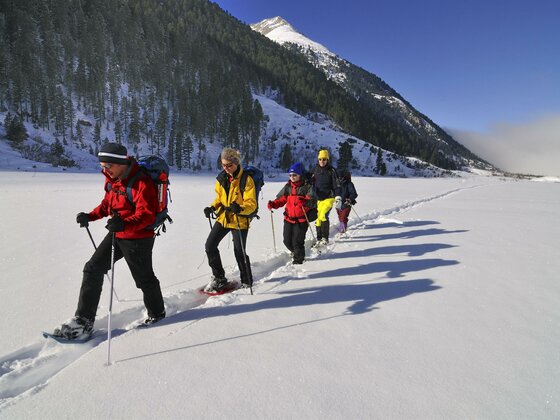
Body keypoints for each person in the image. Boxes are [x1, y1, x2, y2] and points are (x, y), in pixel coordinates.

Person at [52, 143, 166, 340]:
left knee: (144, 280)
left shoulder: (141, 183)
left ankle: (157, 314)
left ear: (121, 163)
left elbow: (146, 216)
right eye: (103, 166)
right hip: (117, 234)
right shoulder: (113, 181)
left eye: (108, 166)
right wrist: (90, 216)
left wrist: (124, 224)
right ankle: (84, 321)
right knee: (92, 268)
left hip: (138, 239)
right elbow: (107, 205)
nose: (105, 170)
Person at [203, 148, 257, 292]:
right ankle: (219, 278)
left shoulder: (246, 180)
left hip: (240, 219)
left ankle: (247, 281)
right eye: (223, 165)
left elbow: (251, 204)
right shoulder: (222, 178)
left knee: (239, 251)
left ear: (236, 163)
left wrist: (239, 208)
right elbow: (219, 199)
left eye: (229, 165)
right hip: (224, 217)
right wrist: (212, 208)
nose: (226, 168)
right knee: (210, 246)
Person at [267, 162, 316, 264]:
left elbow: (312, 201)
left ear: (300, 175)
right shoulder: (288, 186)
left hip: (302, 220)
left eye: (295, 175)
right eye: (290, 175)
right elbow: (282, 199)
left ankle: (298, 262)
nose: (292, 177)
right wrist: (273, 204)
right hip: (288, 219)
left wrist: (305, 201)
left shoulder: (307, 186)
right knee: (287, 241)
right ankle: (296, 252)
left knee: (297, 242)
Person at [312, 149, 341, 244]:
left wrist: (338, 197)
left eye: (324, 159)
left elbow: (336, 185)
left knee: (323, 215)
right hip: (318, 199)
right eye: (320, 159)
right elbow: (311, 182)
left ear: (327, 160)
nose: (322, 161)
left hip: (329, 197)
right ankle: (319, 238)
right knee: (318, 217)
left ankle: (325, 238)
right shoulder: (315, 170)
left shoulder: (332, 171)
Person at [336, 169, 358, 233]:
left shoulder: (349, 184)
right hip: (338, 203)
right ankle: (342, 225)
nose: (339, 179)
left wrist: (350, 199)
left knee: (343, 216)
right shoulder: (336, 184)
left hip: (347, 203)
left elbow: (354, 193)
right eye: (338, 178)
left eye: (340, 177)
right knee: (340, 217)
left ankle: (343, 228)